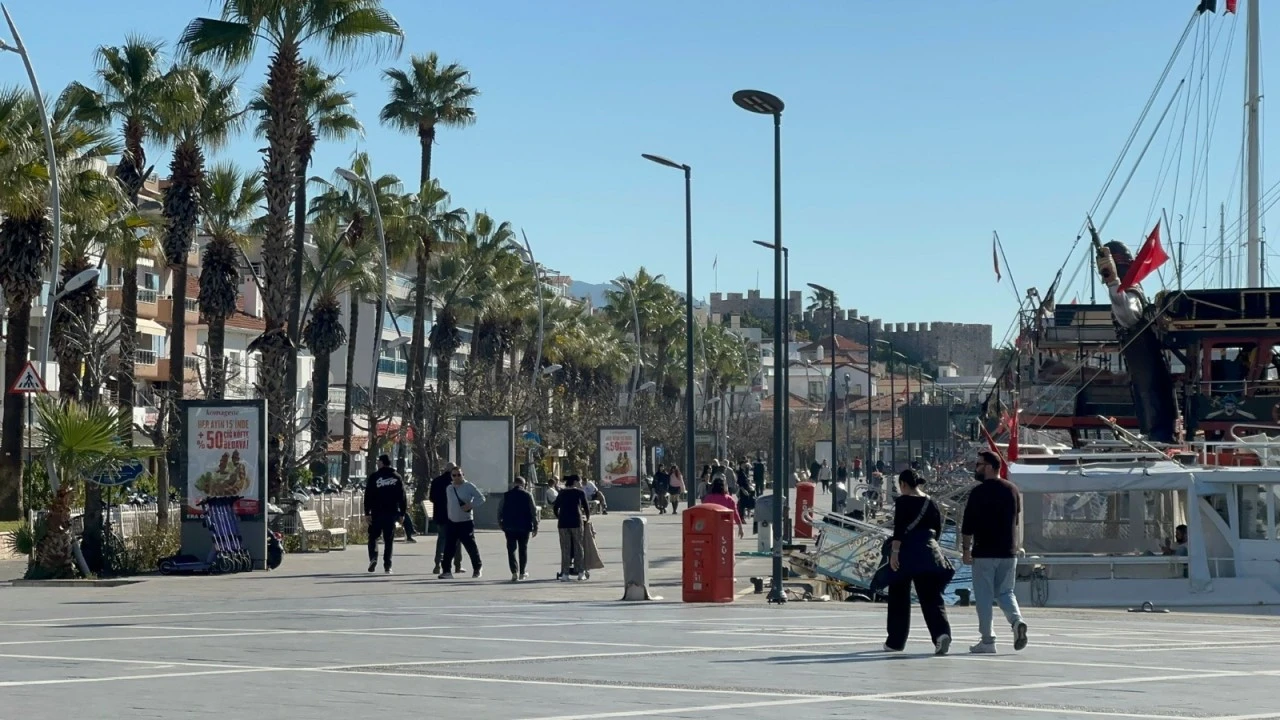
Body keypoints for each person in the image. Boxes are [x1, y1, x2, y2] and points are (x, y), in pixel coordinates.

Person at [961, 450, 1028, 654]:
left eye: (979, 464)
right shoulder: (1013, 490)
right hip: (1009, 552)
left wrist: (966, 550)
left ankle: (988, 641)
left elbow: (967, 526)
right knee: (1006, 592)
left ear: (989, 467)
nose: (976, 468)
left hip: (984, 553)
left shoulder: (978, 492)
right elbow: (1016, 521)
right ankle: (1017, 621)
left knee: (984, 596)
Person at [884, 468, 952, 655]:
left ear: (903, 484)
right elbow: (938, 530)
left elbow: (899, 529)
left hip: (906, 552)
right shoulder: (932, 503)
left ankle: (895, 641)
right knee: (931, 597)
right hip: (929, 552)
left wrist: (895, 553)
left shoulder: (903, 502)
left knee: (899, 596)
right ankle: (941, 634)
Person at [439, 466, 485, 579]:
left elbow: (481, 498)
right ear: (451, 476)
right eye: (454, 475)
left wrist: (470, 505)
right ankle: (446, 571)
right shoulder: (449, 488)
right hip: (452, 522)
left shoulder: (469, 486)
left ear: (463, 475)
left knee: (470, 546)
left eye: (459, 474)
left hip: (466, 522)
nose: (457, 477)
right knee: (449, 547)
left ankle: (477, 568)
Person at [364, 454, 406, 574]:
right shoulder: (397, 477)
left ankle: (373, 557)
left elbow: (368, 496)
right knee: (389, 539)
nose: (377, 463)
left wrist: (367, 512)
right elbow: (402, 497)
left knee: (373, 537)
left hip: (376, 513)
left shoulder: (374, 477)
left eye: (378, 461)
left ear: (382, 462)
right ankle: (388, 565)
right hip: (391, 513)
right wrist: (402, 513)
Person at [498, 476, 539, 581]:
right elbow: (533, 511)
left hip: (509, 526)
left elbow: (500, 510)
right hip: (524, 526)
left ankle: (514, 572)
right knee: (523, 549)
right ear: (523, 484)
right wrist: (535, 526)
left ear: (514, 484)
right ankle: (522, 572)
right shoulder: (528, 495)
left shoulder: (506, 495)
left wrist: (501, 523)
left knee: (511, 550)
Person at [553, 474, 591, 581]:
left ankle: (565, 573)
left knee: (565, 548)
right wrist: (587, 518)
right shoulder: (580, 493)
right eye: (579, 482)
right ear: (575, 482)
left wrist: (560, 517)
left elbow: (555, 508)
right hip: (576, 523)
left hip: (563, 524)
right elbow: (586, 508)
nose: (580, 484)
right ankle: (580, 572)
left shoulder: (562, 493)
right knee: (579, 547)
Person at [429, 463, 463, 575]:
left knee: (442, 539)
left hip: (440, 515)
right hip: (455, 515)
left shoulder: (436, 481)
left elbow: (432, 498)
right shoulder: (457, 482)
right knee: (457, 540)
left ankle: (437, 564)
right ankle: (457, 565)